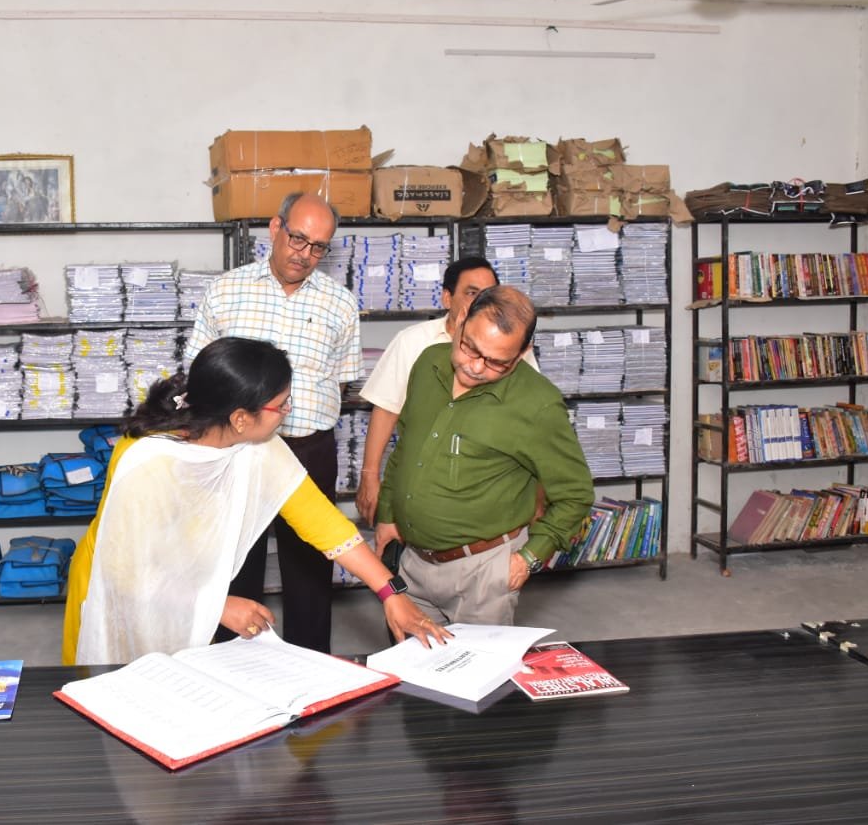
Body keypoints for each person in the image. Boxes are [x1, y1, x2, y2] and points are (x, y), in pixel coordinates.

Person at [62, 336, 448, 666]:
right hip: (117, 585)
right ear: (241, 418)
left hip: (190, 589)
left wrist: (390, 592)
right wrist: (217, 605)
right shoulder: (147, 460)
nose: (287, 412)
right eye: (281, 405)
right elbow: (129, 572)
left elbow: (323, 522)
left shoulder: (257, 446)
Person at [184, 192, 361, 654]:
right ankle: (236, 664)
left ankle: (310, 667)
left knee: (312, 565)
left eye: (318, 246)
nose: (304, 254)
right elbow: (198, 374)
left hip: (308, 449)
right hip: (237, 450)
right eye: (298, 238)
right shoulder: (226, 291)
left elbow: (341, 380)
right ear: (275, 228)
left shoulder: (341, 303)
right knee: (235, 564)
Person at [375, 285, 593, 628]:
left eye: (497, 362)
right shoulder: (429, 362)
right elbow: (406, 446)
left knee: (476, 662)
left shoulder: (538, 404)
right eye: (469, 348)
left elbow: (575, 494)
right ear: (461, 318)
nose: (476, 367)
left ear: (522, 353)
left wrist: (529, 558)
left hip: (483, 574)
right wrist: (388, 514)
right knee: (411, 661)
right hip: (413, 562)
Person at [355, 256, 539, 525]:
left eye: (488, 294)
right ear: (447, 298)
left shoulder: (511, 348)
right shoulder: (413, 342)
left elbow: (533, 418)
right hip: (421, 482)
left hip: (491, 481)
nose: (481, 302)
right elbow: (386, 409)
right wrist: (370, 475)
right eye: (472, 293)